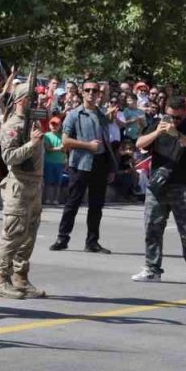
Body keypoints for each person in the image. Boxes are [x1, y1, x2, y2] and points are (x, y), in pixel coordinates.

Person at [132, 96, 186, 285]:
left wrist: (177, 134)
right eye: (170, 116)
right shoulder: (157, 124)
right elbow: (139, 144)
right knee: (152, 227)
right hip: (158, 184)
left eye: (177, 117)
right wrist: (157, 132)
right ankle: (152, 268)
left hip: (183, 185)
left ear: (184, 114)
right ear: (165, 112)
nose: (173, 121)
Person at [51, 81, 117, 253]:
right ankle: (62, 238)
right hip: (80, 164)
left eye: (94, 91)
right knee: (72, 203)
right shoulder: (74, 114)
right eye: (87, 90)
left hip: (100, 163)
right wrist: (88, 145)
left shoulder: (101, 114)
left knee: (96, 206)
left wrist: (110, 167)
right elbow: (65, 141)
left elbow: (107, 142)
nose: (91, 93)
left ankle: (92, 241)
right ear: (82, 92)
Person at [0, 83, 47, 299]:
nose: (38, 103)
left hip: (34, 185)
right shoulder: (12, 126)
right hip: (18, 185)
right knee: (13, 234)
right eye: (34, 98)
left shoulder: (31, 124)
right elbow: (9, 157)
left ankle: (20, 278)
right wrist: (31, 145)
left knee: (29, 235)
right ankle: (1, 280)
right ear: (22, 100)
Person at [42, 116, 65, 205]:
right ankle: (47, 198)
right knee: (48, 182)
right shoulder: (46, 136)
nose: (54, 126)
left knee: (58, 183)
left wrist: (65, 159)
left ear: (60, 126)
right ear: (49, 125)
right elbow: (47, 148)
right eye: (52, 124)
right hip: (48, 162)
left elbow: (65, 149)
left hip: (59, 162)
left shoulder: (62, 136)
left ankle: (56, 199)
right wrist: (59, 148)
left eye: (56, 125)